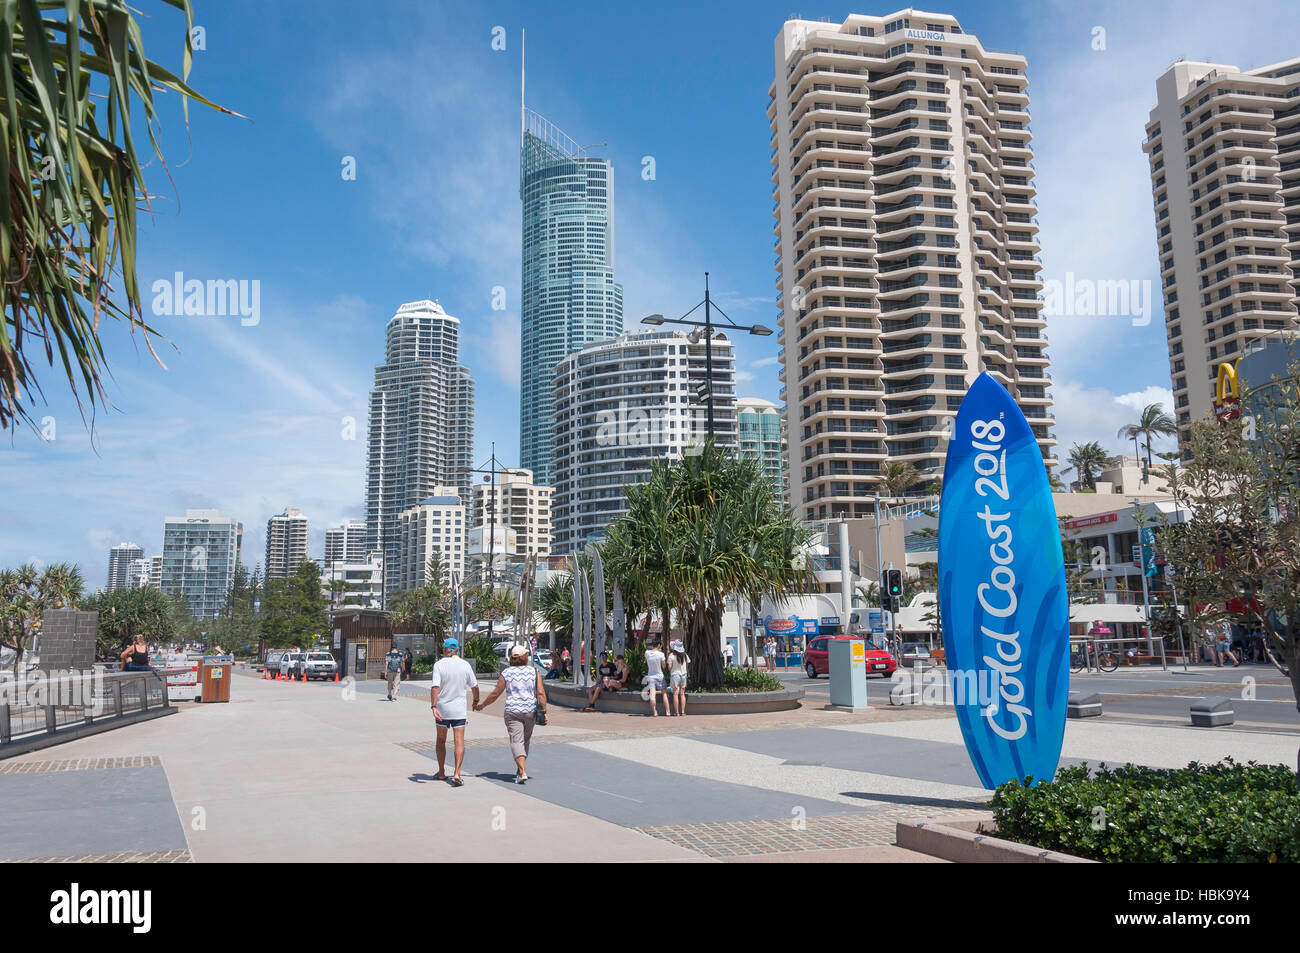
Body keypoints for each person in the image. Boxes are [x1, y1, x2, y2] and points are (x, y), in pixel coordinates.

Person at [475, 643, 548, 783]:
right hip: (530, 711)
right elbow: (540, 692)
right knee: (524, 741)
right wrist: (544, 711)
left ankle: (522, 771)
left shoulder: (507, 673)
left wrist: (483, 705)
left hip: (512, 711)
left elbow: (496, 692)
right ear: (524, 657)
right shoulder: (534, 672)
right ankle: (520, 770)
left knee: (516, 740)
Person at [430, 637, 480, 786]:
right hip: (459, 710)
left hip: (442, 709)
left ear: (445, 649)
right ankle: (457, 773)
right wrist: (476, 700)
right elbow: (475, 686)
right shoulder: (465, 665)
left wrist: (433, 706)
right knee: (459, 741)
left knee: (441, 740)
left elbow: (435, 687)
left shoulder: (439, 665)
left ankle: (441, 772)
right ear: (457, 650)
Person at [645, 639, 669, 717]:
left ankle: (655, 712)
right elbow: (664, 666)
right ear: (659, 645)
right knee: (664, 693)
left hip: (650, 676)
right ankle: (667, 712)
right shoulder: (661, 654)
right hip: (659, 676)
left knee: (652, 694)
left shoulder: (647, 653)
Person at [667, 639, 690, 716]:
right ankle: (683, 712)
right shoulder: (685, 655)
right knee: (682, 694)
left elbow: (669, 668)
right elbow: (687, 666)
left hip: (675, 675)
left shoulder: (671, 656)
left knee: (675, 694)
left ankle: (676, 712)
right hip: (684, 675)